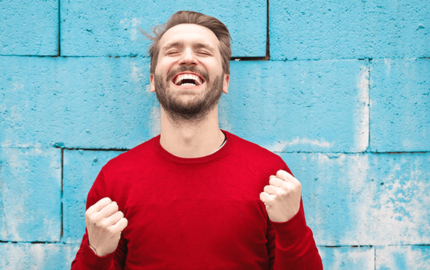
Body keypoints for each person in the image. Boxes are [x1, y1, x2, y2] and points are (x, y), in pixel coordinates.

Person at [72, 11, 323, 269]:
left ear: (225, 81)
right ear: (152, 82)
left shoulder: (270, 176)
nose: (188, 58)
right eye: (172, 51)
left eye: (203, 51)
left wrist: (291, 228)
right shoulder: (116, 179)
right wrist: (96, 255)